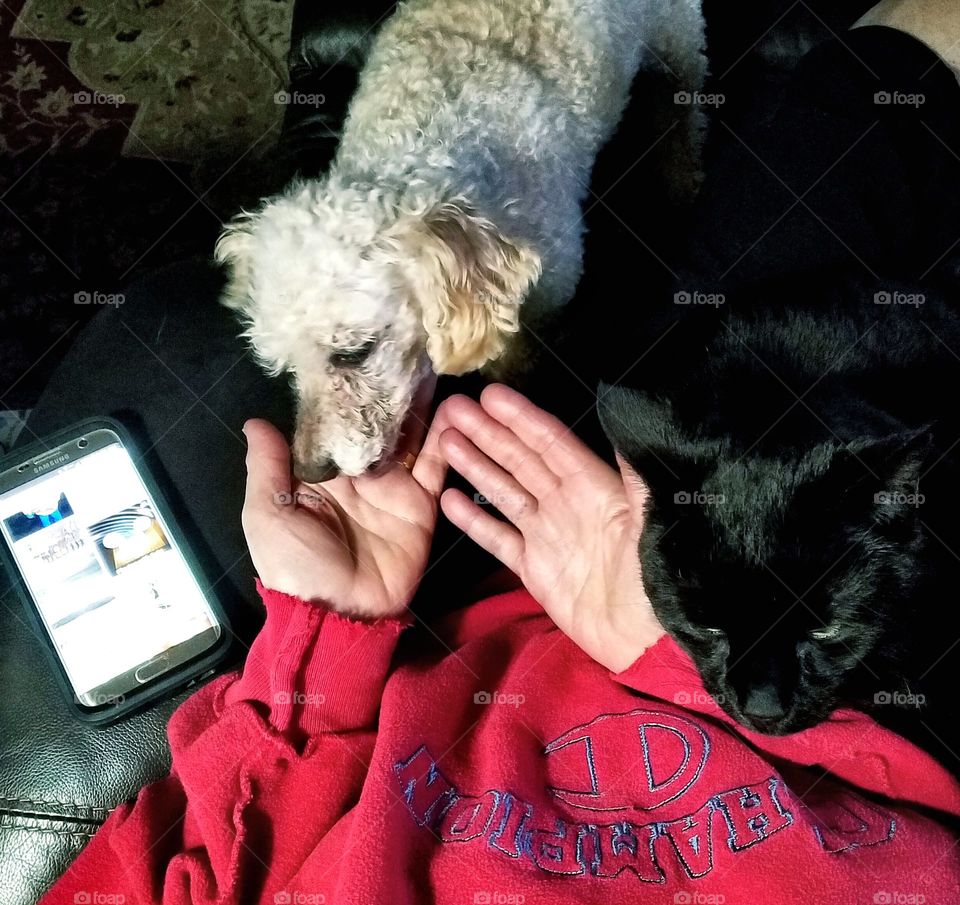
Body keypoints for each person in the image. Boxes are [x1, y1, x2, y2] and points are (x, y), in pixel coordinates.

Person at [37, 1, 960, 902]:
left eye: (345, 355)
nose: (317, 436)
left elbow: (203, 848)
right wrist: (674, 653)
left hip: (558, 533)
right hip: (804, 676)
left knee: (855, 93)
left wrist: (324, 642)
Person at [38, 383, 960, 904]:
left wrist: (324, 639)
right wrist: (668, 655)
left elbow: (189, 861)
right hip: (816, 701)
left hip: (516, 576)